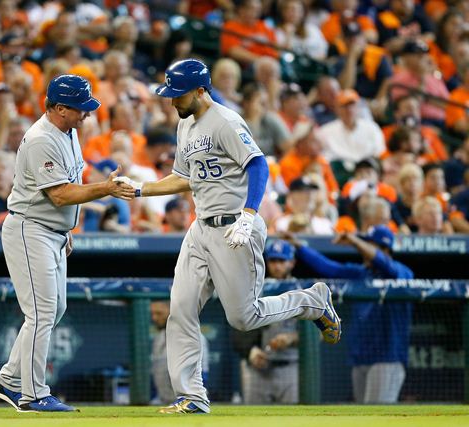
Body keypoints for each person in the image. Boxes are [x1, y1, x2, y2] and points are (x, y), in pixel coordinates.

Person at [116, 59, 341, 414]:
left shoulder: (225, 121)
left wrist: (250, 215)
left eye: (179, 93)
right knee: (181, 309)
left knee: (243, 317)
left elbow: (259, 164)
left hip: (236, 225)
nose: (172, 100)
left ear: (201, 90)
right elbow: (183, 177)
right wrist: (140, 190)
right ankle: (192, 395)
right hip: (200, 226)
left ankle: (312, 302)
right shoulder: (185, 124)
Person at [0, 75, 134, 413]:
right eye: (80, 108)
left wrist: (66, 229)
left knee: (55, 309)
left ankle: (8, 380)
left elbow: (67, 189)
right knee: (39, 313)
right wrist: (105, 188)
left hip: (51, 231)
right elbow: (59, 194)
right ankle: (34, 394)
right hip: (30, 228)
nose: (86, 113)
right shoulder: (41, 138)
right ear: (59, 108)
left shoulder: (69, 132)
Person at [283, 226, 413, 404]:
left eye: (369, 246)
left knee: (377, 418)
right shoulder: (360, 272)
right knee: (363, 416)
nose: (363, 251)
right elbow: (329, 268)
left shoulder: (401, 272)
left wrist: (354, 240)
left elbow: (383, 263)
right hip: (361, 356)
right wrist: (300, 247)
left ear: (385, 249)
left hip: (387, 358)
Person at [232, 240, 299, 404]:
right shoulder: (254, 288)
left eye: (282, 261)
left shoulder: (302, 290)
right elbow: (238, 325)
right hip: (258, 367)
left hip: (290, 367)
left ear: (292, 263)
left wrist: (292, 338)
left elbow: (319, 333)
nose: (277, 266)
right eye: (273, 261)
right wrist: (250, 351)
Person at [150, 300, 209, 405]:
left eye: (159, 313)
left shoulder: (191, 336)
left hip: (187, 401)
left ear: (172, 311)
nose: (154, 318)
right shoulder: (158, 338)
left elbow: (202, 373)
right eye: (152, 314)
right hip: (163, 400)